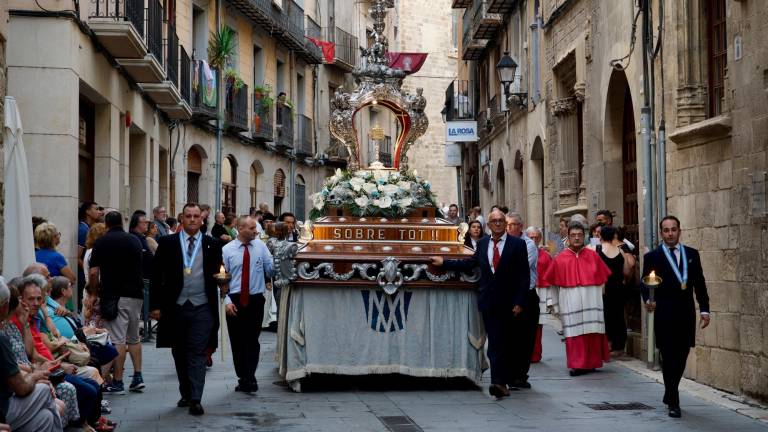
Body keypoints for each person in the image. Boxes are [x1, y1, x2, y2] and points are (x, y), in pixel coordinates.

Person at [429, 209, 530, 399]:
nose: (498, 223)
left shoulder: (518, 245)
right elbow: (469, 264)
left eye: (501, 221)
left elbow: (524, 277)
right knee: (494, 342)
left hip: (510, 303)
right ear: (489, 225)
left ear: (505, 224)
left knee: (506, 342)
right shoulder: (483, 244)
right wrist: (444, 262)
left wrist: (519, 302)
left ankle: (504, 379)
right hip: (489, 302)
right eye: (494, 221)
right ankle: (497, 382)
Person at [150, 203, 223, 416]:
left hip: (202, 306)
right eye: (188, 216)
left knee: (197, 352)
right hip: (176, 306)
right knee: (179, 351)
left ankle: (196, 398)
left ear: (202, 219)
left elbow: (220, 272)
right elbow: (156, 276)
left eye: (196, 216)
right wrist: (154, 306)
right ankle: (186, 391)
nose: (192, 220)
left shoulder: (212, 244)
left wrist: (223, 283)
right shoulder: (167, 243)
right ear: (182, 218)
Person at [642, 215, 710, 419]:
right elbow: (645, 285)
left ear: (679, 231)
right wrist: (647, 300)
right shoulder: (653, 257)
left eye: (673, 229)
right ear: (661, 233)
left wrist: (705, 309)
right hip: (663, 313)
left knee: (681, 356)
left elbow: (700, 283)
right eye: (666, 230)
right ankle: (674, 400)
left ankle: (670, 390)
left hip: (685, 313)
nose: (670, 233)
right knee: (668, 356)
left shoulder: (692, 254)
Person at [543, 221, 611, 376]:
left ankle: (592, 363)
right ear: (568, 237)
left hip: (592, 300)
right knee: (575, 334)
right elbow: (552, 283)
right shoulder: (560, 258)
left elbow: (603, 280)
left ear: (584, 236)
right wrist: (555, 304)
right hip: (570, 301)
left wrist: (600, 299)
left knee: (592, 331)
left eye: (580, 235)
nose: (577, 238)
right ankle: (577, 364)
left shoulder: (593, 256)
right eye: (573, 235)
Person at [89, 211, 146, 395]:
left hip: (114, 295)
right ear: (122, 222)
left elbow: (93, 272)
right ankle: (138, 376)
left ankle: (119, 381)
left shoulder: (101, 242)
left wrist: (93, 293)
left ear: (106, 224)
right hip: (136, 294)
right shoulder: (134, 240)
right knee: (134, 337)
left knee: (117, 339)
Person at [0, 278, 65, 432]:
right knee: (44, 389)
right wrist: (35, 375)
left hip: (13, 395)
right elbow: (21, 387)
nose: (36, 303)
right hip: (4, 408)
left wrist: (25, 324)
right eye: (30, 299)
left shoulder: (20, 323)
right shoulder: (2, 335)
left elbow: (29, 353)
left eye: (39, 299)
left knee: (45, 418)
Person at [222, 215, 275, 393]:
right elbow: (222, 278)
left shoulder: (261, 247)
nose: (256, 231)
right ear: (241, 228)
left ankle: (250, 376)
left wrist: (278, 262)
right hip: (235, 299)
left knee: (252, 340)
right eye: (252, 228)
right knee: (237, 341)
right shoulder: (227, 250)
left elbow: (270, 269)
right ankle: (242, 375)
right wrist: (227, 301)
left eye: (256, 228)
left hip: (255, 299)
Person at [504, 213, 539, 387]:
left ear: (521, 226)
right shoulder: (502, 243)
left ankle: (520, 375)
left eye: (514, 224)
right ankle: (510, 374)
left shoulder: (529, 244)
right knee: (510, 337)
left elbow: (519, 268)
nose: (510, 228)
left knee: (525, 338)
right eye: (507, 224)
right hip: (508, 295)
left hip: (526, 295)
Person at [596, 226, 633, 357]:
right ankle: (619, 346)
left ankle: (607, 345)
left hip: (604, 289)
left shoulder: (598, 250)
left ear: (600, 236)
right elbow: (627, 270)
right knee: (619, 316)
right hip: (618, 287)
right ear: (613, 236)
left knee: (605, 316)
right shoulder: (620, 251)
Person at [525, 226, 553, 363]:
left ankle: (535, 354)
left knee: (538, 326)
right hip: (526, 291)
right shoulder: (521, 250)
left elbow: (550, 276)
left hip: (541, 292)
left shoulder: (546, 256)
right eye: (531, 237)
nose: (534, 239)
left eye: (537, 237)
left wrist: (550, 300)